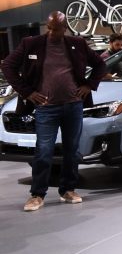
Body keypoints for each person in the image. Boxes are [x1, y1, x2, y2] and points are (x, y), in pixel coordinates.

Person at [0, 11, 106, 211]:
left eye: (55, 29)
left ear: (64, 29)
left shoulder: (78, 44)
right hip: (46, 109)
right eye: (48, 28)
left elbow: (100, 65)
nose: (50, 32)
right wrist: (27, 92)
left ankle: (68, 190)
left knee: (72, 150)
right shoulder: (31, 44)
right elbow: (7, 66)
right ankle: (37, 194)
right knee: (44, 151)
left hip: (73, 106)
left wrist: (89, 85)